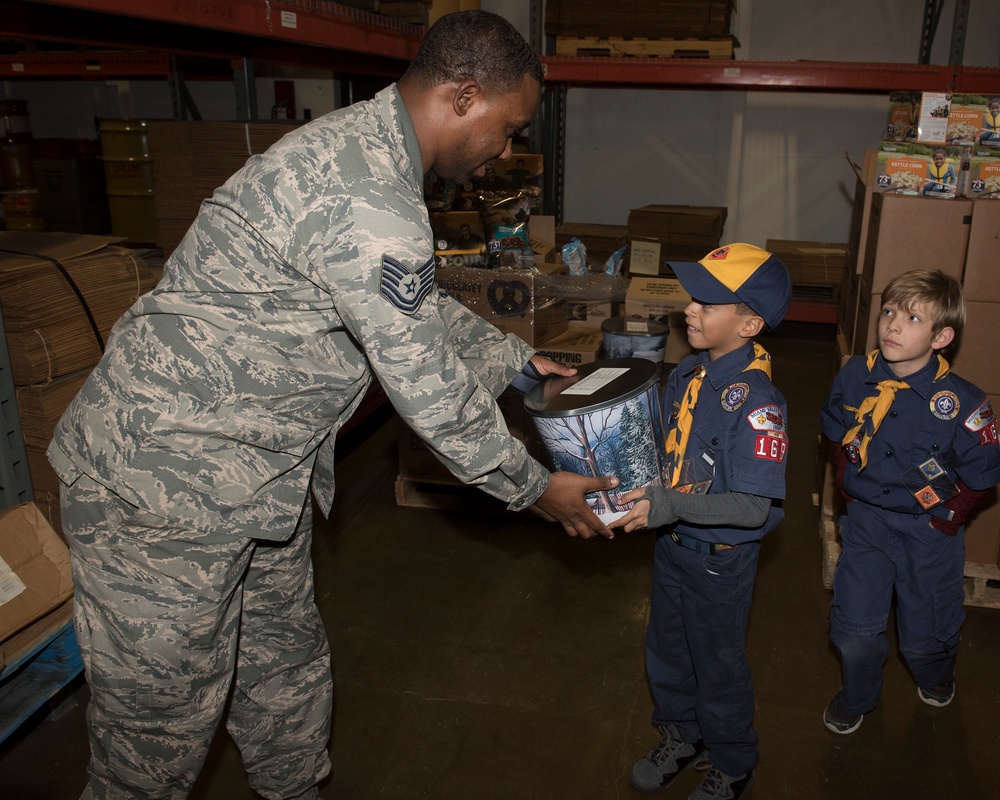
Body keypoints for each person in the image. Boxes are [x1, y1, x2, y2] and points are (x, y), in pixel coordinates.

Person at [47, 11, 618, 800]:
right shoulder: (369, 197)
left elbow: (415, 307)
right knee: (157, 735)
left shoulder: (373, 156)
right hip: (164, 485)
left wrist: (520, 369)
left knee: (283, 665)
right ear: (463, 95)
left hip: (256, 477)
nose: (508, 151)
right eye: (509, 128)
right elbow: (425, 385)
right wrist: (533, 488)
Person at [610, 243, 792, 800]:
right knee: (666, 650)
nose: (691, 308)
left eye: (709, 302)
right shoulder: (689, 370)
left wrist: (669, 506)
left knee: (718, 664)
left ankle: (733, 760)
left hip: (720, 562)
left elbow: (753, 508)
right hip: (672, 546)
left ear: (750, 322)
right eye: (696, 296)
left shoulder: (759, 404)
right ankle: (683, 735)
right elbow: (668, 452)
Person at [819, 269, 1000, 736]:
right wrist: (845, 484)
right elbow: (838, 431)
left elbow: (982, 475)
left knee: (926, 636)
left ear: (942, 337)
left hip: (928, 534)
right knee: (853, 630)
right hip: (867, 526)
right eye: (889, 312)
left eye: (913, 318)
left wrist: (948, 520)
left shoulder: (962, 403)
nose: (893, 326)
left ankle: (937, 675)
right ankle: (859, 695)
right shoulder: (856, 375)